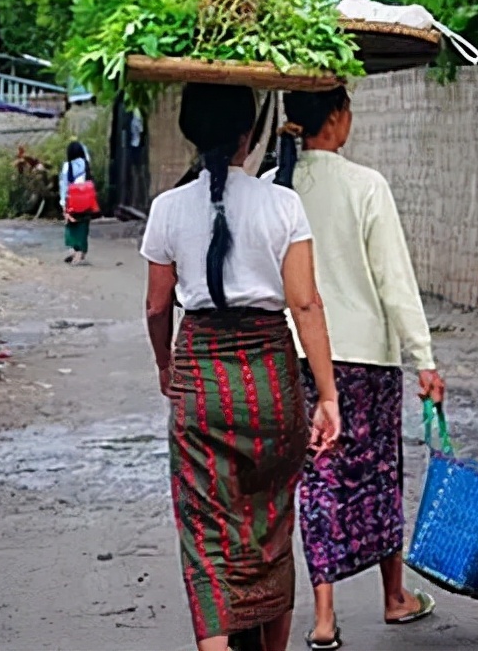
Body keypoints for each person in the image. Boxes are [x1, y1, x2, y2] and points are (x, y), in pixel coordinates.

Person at [141, 83, 343, 651]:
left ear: (188, 130)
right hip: (271, 381)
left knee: (206, 532)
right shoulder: (282, 204)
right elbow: (306, 305)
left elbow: (157, 307)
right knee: (272, 524)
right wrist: (327, 395)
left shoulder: (167, 209)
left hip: (200, 380)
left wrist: (166, 366)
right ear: (249, 135)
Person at [270, 87, 444, 651]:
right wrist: (424, 357)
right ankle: (394, 597)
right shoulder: (366, 185)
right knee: (379, 472)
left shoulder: (274, 186)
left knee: (319, 475)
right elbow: (394, 280)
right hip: (367, 358)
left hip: (298, 354)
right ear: (336, 119)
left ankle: (324, 616)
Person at [59, 140, 92, 264]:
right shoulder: (86, 164)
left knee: (71, 226)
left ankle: (73, 250)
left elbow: (64, 185)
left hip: (72, 200)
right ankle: (81, 252)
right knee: (83, 226)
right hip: (86, 199)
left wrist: (63, 203)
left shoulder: (67, 166)